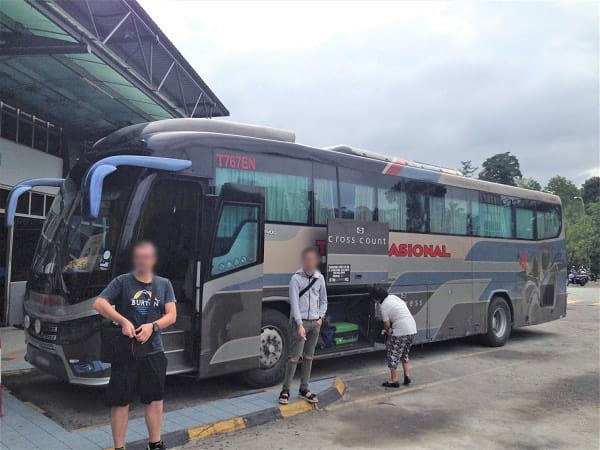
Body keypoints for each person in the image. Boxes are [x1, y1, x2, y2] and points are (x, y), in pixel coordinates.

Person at [94, 241, 177, 450]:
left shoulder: (164, 284)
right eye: (138, 256)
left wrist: (152, 326)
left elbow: (172, 315)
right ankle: (119, 447)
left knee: (155, 400)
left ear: (153, 260)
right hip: (126, 352)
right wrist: (123, 321)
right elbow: (99, 303)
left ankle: (155, 444)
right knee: (120, 401)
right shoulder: (122, 282)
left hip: (154, 351)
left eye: (146, 257)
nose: (142, 260)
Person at [279, 247, 328, 405]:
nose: (310, 262)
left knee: (308, 357)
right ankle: (285, 390)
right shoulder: (296, 279)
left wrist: (320, 318)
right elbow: (294, 303)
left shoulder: (320, 278)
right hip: (300, 323)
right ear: (303, 261)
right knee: (294, 357)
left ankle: (304, 388)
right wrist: (299, 324)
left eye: (313, 259)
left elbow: (323, 300)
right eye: (307, 259)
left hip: (315, 323)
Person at [372, 285, 417, 388]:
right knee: (404, 353)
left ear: (377, 298)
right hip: (412, 328)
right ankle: (407, 376)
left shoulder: (383, 306)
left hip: (401, 330)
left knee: (392, 354)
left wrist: (388, 334)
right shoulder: (393, 297)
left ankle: (394, 380)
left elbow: (387, 324)